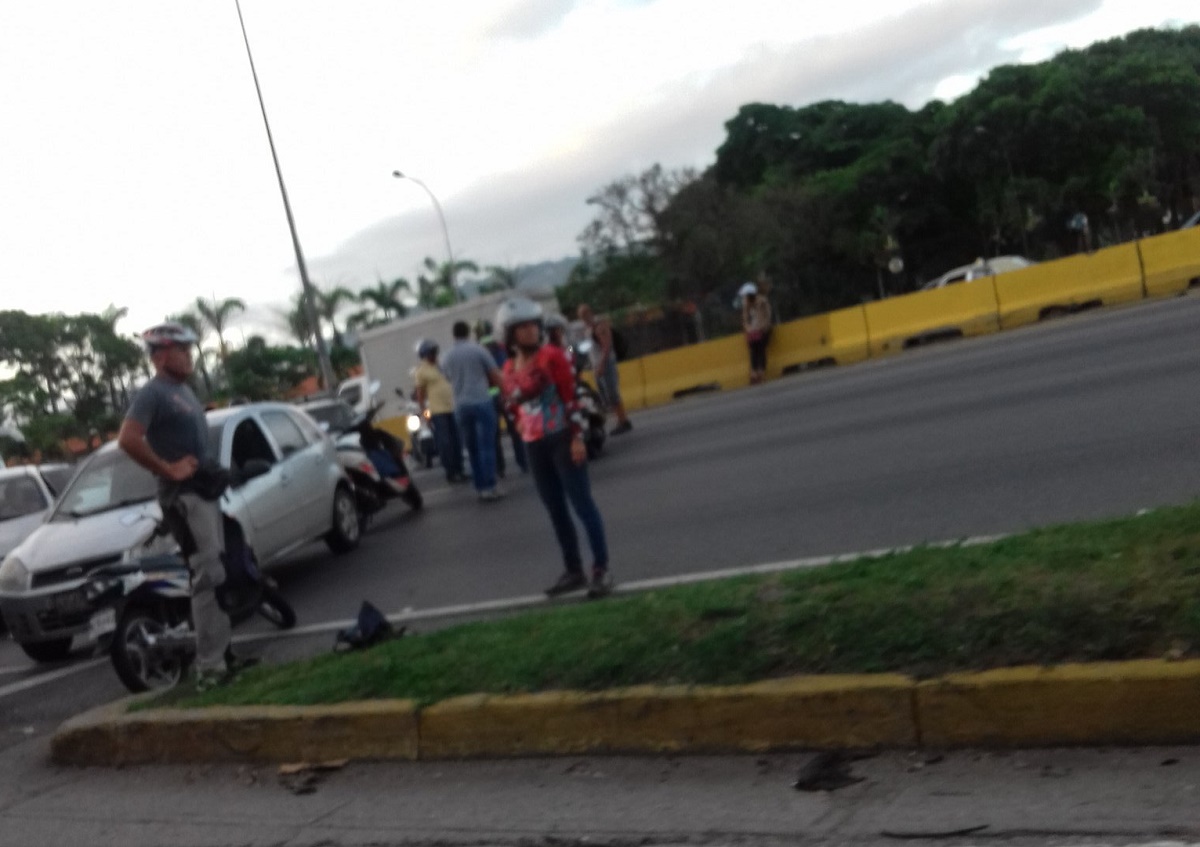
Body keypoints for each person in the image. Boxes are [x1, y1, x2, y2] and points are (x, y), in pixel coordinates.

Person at [116, 322, 251, 690]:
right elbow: (127, 439)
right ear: (160, 356)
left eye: (190, 349)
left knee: (218, 572)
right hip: (183, 497)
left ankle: (222, 656)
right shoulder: (153, 393)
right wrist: (167, 468)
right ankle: (209, 668)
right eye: (181, 350)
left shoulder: (184, 390)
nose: (189, 355)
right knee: (207, 575)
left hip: (204, 491)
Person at [497, 297, 613, 599]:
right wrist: (519, 421)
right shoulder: (508, 367)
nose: (530, 332)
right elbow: (511, 402)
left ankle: (601, 569)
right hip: (534, 445)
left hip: (562, 437)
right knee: (555, 511)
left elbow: (571, 398)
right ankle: (573, 570)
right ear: (509, 335)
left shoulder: (553, 357)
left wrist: (577, 438)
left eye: (533, 326)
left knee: (582, 505)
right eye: (521, 328)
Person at [441, 320, 504, 501]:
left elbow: (447, 377)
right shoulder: (479, 350)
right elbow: (494, 373)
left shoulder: (447, 356)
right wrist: (506, 392)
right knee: (487, 446)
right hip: (482, 401)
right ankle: (491, 486)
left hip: (461, 405)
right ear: (468, 332)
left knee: (472, 449)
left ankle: (480, 488)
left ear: (454, 335)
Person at [475, 318, 527, 477]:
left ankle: (500, 468)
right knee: (516, 430)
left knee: (493, 434)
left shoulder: (478, 350)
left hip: (488, 397)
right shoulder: (501, 347)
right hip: (506, 393)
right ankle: (523, 462)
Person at [412, 338, 467, 484]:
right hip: (438, 411)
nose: (435, 354)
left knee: (457, 440)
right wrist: (425, 415)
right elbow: (420, 396)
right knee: (445, 443)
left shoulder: (441, 366)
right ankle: (451, 472)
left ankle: (460, 469)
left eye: (435, 351)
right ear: (425, 354)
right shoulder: (421, 372)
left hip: (452, 407)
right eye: (432, 352)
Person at [576, 304, 632, 435]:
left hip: (606, 365)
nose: (583, 318)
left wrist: (601, 365)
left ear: (590, 312)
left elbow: (606, 347)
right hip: (597, 366)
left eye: (585, 314)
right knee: (605, 396)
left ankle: (623, 421)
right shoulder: (587, 330)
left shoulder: (600, 326)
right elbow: (587, 348)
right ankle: (619, 420)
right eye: (581, 316)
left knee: (612, 393)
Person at [739, 282, 772, 384]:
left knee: (761, 350)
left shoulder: (762, 301)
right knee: (753, 351)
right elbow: (745, 319)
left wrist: (761, 328)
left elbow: (767, 316)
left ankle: (761, 372)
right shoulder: (746, 305)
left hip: (763, 329)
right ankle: (754, 373)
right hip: (752, 331)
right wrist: (748, 328)